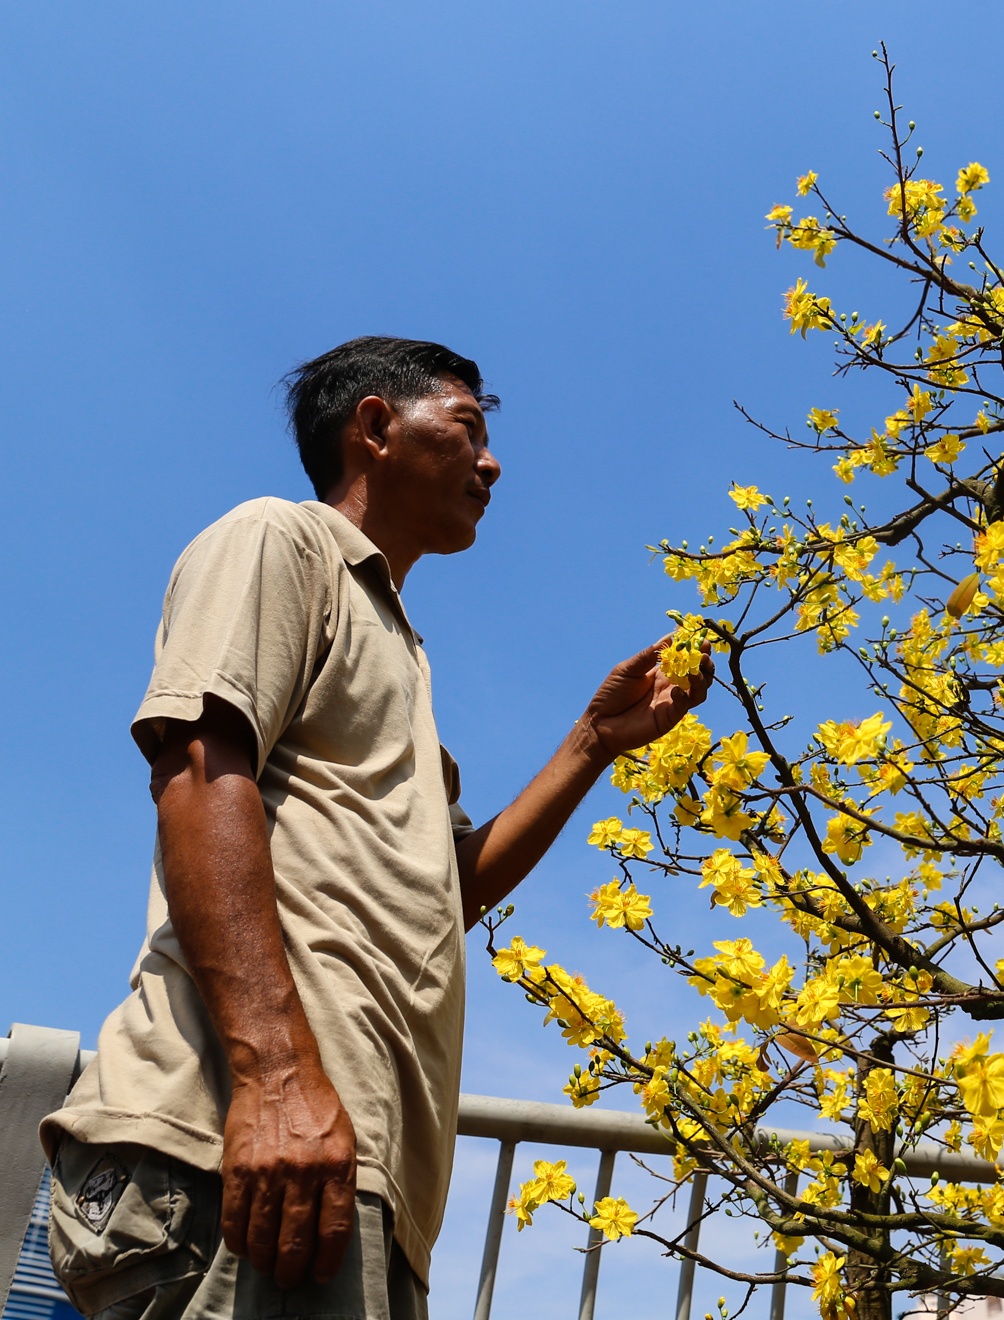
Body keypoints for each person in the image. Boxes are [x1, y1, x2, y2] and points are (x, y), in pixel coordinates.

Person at [37, 336, 710, 1320]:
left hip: (354, 1168)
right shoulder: (280, 541)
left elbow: (454, 887)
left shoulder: (401, 651)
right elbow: (197, 767)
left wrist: (594, 743)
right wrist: (274, 1076)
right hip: (243, 1135)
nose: (492, 462)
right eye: (469, 429)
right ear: (376, 429)